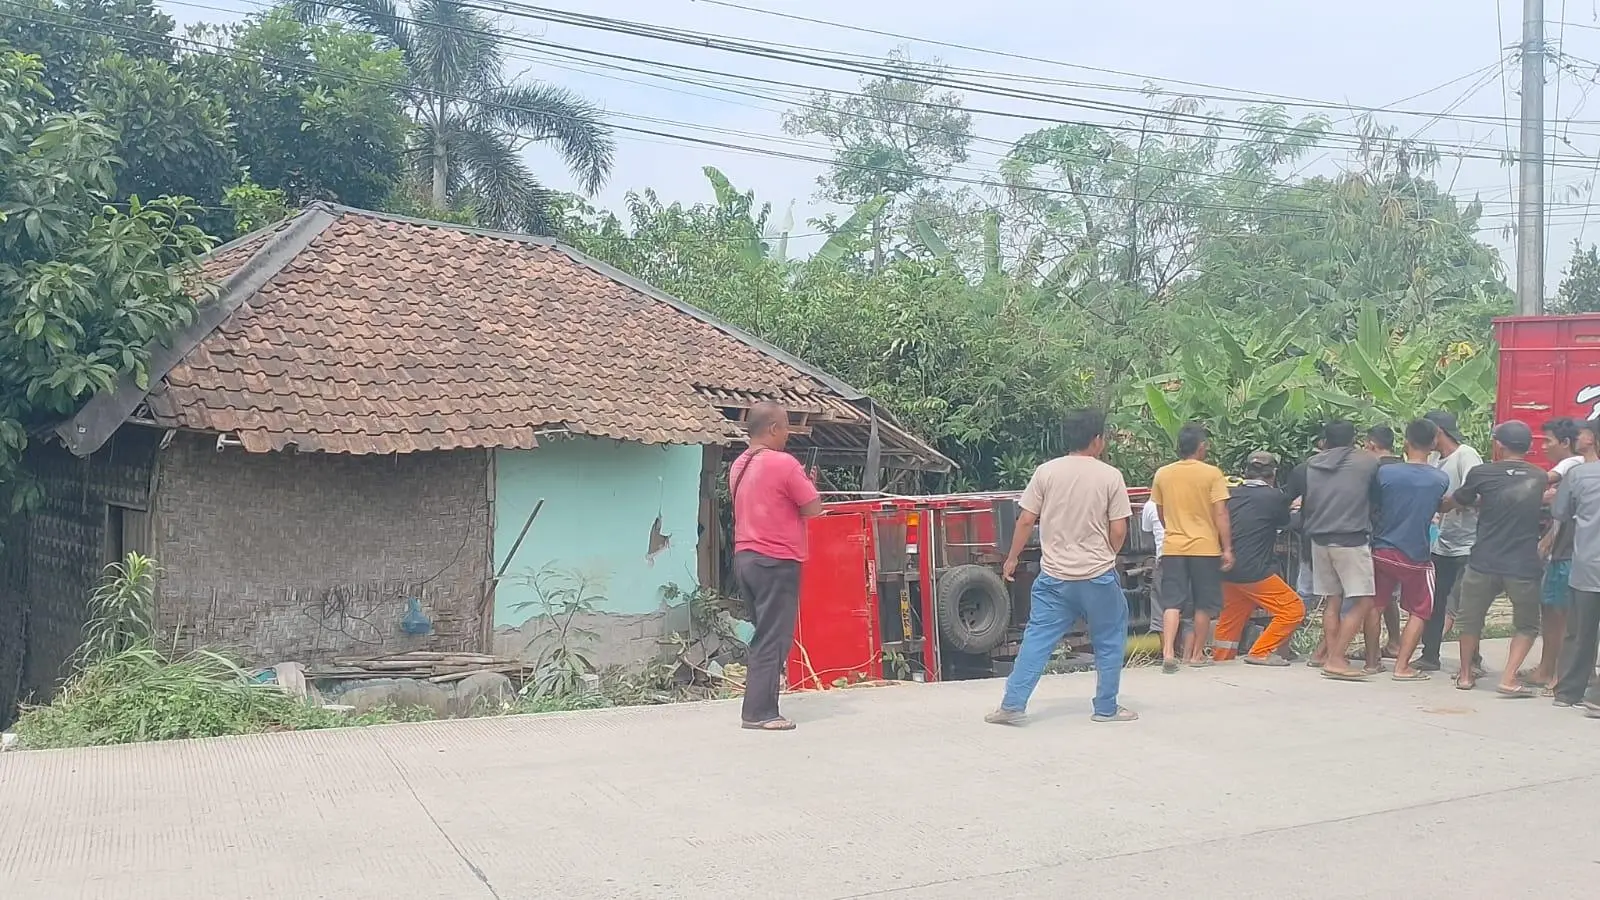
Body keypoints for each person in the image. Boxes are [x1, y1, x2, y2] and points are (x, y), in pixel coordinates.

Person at [986, 409, 1138, 725]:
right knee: (1109, 639)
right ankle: (1106, 708)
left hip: (1054, 577)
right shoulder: (1110, 476)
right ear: (1097, 440)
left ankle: (1012, 706)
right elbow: (1119, 528)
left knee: (1037, 639)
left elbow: (1026, 519)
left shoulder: (1046, 472)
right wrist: (1107, 555)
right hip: (1097, 576)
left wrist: (1012, 558)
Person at [729, 401, 822, 731]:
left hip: (746, 559)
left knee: (764, 634)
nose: (787, 435)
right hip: (776, 561)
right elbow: (812, 508)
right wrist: (809, 483)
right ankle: (761, 712)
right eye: (785, 428)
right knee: (773, 638)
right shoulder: (784, 464)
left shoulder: (739, 465)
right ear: (772, 428)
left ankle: (759, 708)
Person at [1450, 421, 1546, 694]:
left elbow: (1461, 499)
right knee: (1527, 624)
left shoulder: (1481, 473)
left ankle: (1465, 675)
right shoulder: (1539, 476)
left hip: (1484, 560)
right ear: (1528, 446)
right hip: (1522, 564)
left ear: (1499, 445)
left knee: (1470, 621)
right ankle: (1508, 677)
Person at [1295, 420, 1381, 681]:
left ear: (1325, 440)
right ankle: (1335, 658)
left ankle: (1332, 656)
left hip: (1318, 539)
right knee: (1364, 600)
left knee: (1332, 600)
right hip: (1350, 539)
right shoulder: (1367, 461)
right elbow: (1377, 497)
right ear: (1353, 439)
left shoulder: (1312, 464)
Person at [1372, 419, 1452, 681]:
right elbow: (1438, 505)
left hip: (1382, 548)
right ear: (1433, 443)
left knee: (1375, 605)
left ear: (1406, 442)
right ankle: (1402, 666)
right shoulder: (1440, 479)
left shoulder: (1385, 473)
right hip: (1416, 555)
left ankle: (1372, 662)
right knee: (1420, 610)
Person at [1150, 423, 1234, 673]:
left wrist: (1174, 531)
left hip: (1173, 547)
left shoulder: (1163, 474)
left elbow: (1161, 512)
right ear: (1201, 447)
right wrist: (1227, 548)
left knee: (1172, 602)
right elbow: (1221, 514)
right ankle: (1196, 655)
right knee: (1203, 604)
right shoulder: (1212, 474)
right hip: (1205, 547)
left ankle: (1168, 653)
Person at [1212, 452, 1304, 666]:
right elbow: (1286, 522)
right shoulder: (1275, 497)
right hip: (1254, 570)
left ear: (1246, 471)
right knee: (1293, 609)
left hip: (1227, 567)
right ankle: (1260, 652)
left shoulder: (1231, 494)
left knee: (1232, 615)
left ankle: (1221, 658)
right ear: (1273, 473)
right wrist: (1301, 510)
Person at [1416, 410, 1484, 673]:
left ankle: (1473, 659)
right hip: (1441, 541)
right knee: (1435, 601)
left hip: (1468, 541)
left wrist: (1450, 503)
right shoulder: (1434, 460)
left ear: (1438, 432)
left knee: (1468, 603)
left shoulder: (1466, 455)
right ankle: (1429, 654)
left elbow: (1477, 493)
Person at [1529, 417, 1585, 690]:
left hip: (1567, 552)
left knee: (1560, 615)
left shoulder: (1572, 464)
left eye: (1548, 441)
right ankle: (1547, 668)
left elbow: (1544, 479)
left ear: (1565, 442)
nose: (1544, 447)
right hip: (1559, 550)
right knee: (1551, 612)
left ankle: (1557, 673)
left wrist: (1510, 472)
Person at [1551, 422, 1600, 713]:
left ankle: (1568, 692)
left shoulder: (1579, 475)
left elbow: (1560, 511)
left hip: (1587, 567)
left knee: (1580, 633)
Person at [1364, 424, 1405, 661]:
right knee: (1389, 597)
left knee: (1373, 600)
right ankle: (1395, 643)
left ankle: (1371, 657)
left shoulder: (1373, 470)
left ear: (1371, 445)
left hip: (1377, 538)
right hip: (1403, 541)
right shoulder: (1406, 466)